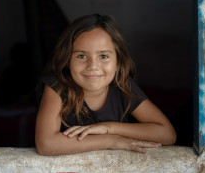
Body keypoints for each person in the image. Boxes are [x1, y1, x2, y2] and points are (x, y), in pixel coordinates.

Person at [35, 14, 176, 156]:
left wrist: (109, 128)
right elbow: (46, 144)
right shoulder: (58, 85)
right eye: (81, 56)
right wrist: (110, 141)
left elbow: (167, 134)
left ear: (118, 62)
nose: (93, 66)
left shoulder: (121, 85)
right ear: (67, 60)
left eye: (103, 56)